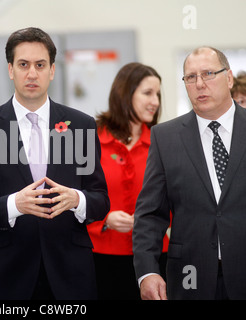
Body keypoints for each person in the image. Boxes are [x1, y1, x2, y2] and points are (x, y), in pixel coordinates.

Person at [0, 27, 110, 300]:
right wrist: (14, 204)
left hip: (71, 274)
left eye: (40, 65)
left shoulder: (81, 125)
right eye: (23, 65)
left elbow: (101, 201)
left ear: (52, 70)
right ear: (10, 70)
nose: (32, 73)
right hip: (10, 276)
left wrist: (76, 199)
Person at [133, 46, 246, 300]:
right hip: (190, 279)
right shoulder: (165, 137)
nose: (199, 84)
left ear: (229, 78)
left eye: (208, 74)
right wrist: (147, 272)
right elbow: (150, 214)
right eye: (191, 77)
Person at [87, 62, 169, 300]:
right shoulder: (89, 140)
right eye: (147, 93)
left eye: (158, 94)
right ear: (125, 93)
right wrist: (104, 219)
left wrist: (150, 220)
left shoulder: (162, 143)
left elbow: (176, 200)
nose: (155, 101)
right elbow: (74, 195)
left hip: (153, 259)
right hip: (99, 257)